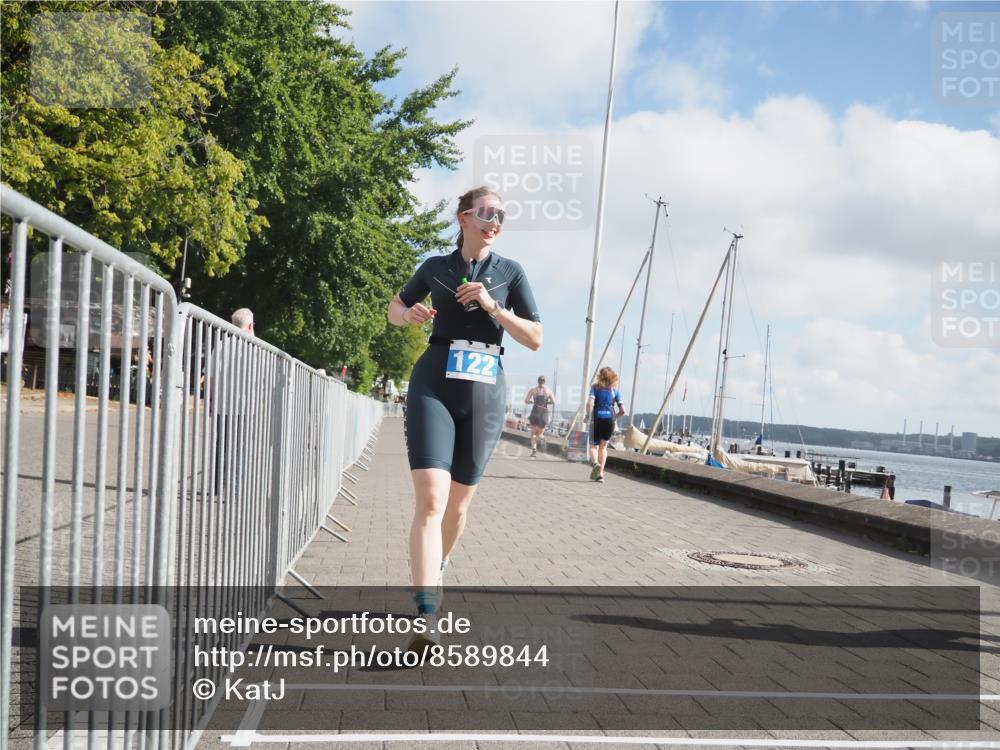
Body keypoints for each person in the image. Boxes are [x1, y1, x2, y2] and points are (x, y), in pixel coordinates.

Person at [386, 186, 542, 651]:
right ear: (464, 218)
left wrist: (495, 308)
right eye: (487, 213)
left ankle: (438, 565)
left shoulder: (510, 272)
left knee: (456, 508)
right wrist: (407, 314)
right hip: (435, 379)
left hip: (485, 392)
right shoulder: (435, 266)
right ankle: (426, 615)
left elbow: (535, 337)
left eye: (502, 216)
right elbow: (394, 308)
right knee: (431, 502)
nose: (495, 222)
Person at [585, 367, 625, 483]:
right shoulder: (615, 391)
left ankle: (595, 463)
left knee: (594, 446)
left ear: (600, 376)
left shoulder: (595, 388)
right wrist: (614, 418)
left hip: (597, 418)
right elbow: (623, 410)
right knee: (603, 448)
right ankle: (601, 474)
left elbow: (590, 403)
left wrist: (587, 415)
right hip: (610, 420)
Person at [524, 375, 555, 457]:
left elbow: (526, 400)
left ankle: (534, 450)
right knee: (540, 433)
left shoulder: (533, 390)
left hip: (535, 411)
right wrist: (546, 403)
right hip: (544, 412)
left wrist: (531, 402)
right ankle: (542, 438)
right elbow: (553, 402)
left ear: (538, 381)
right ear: (544, 381)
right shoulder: (548, 391)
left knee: (533, 433)